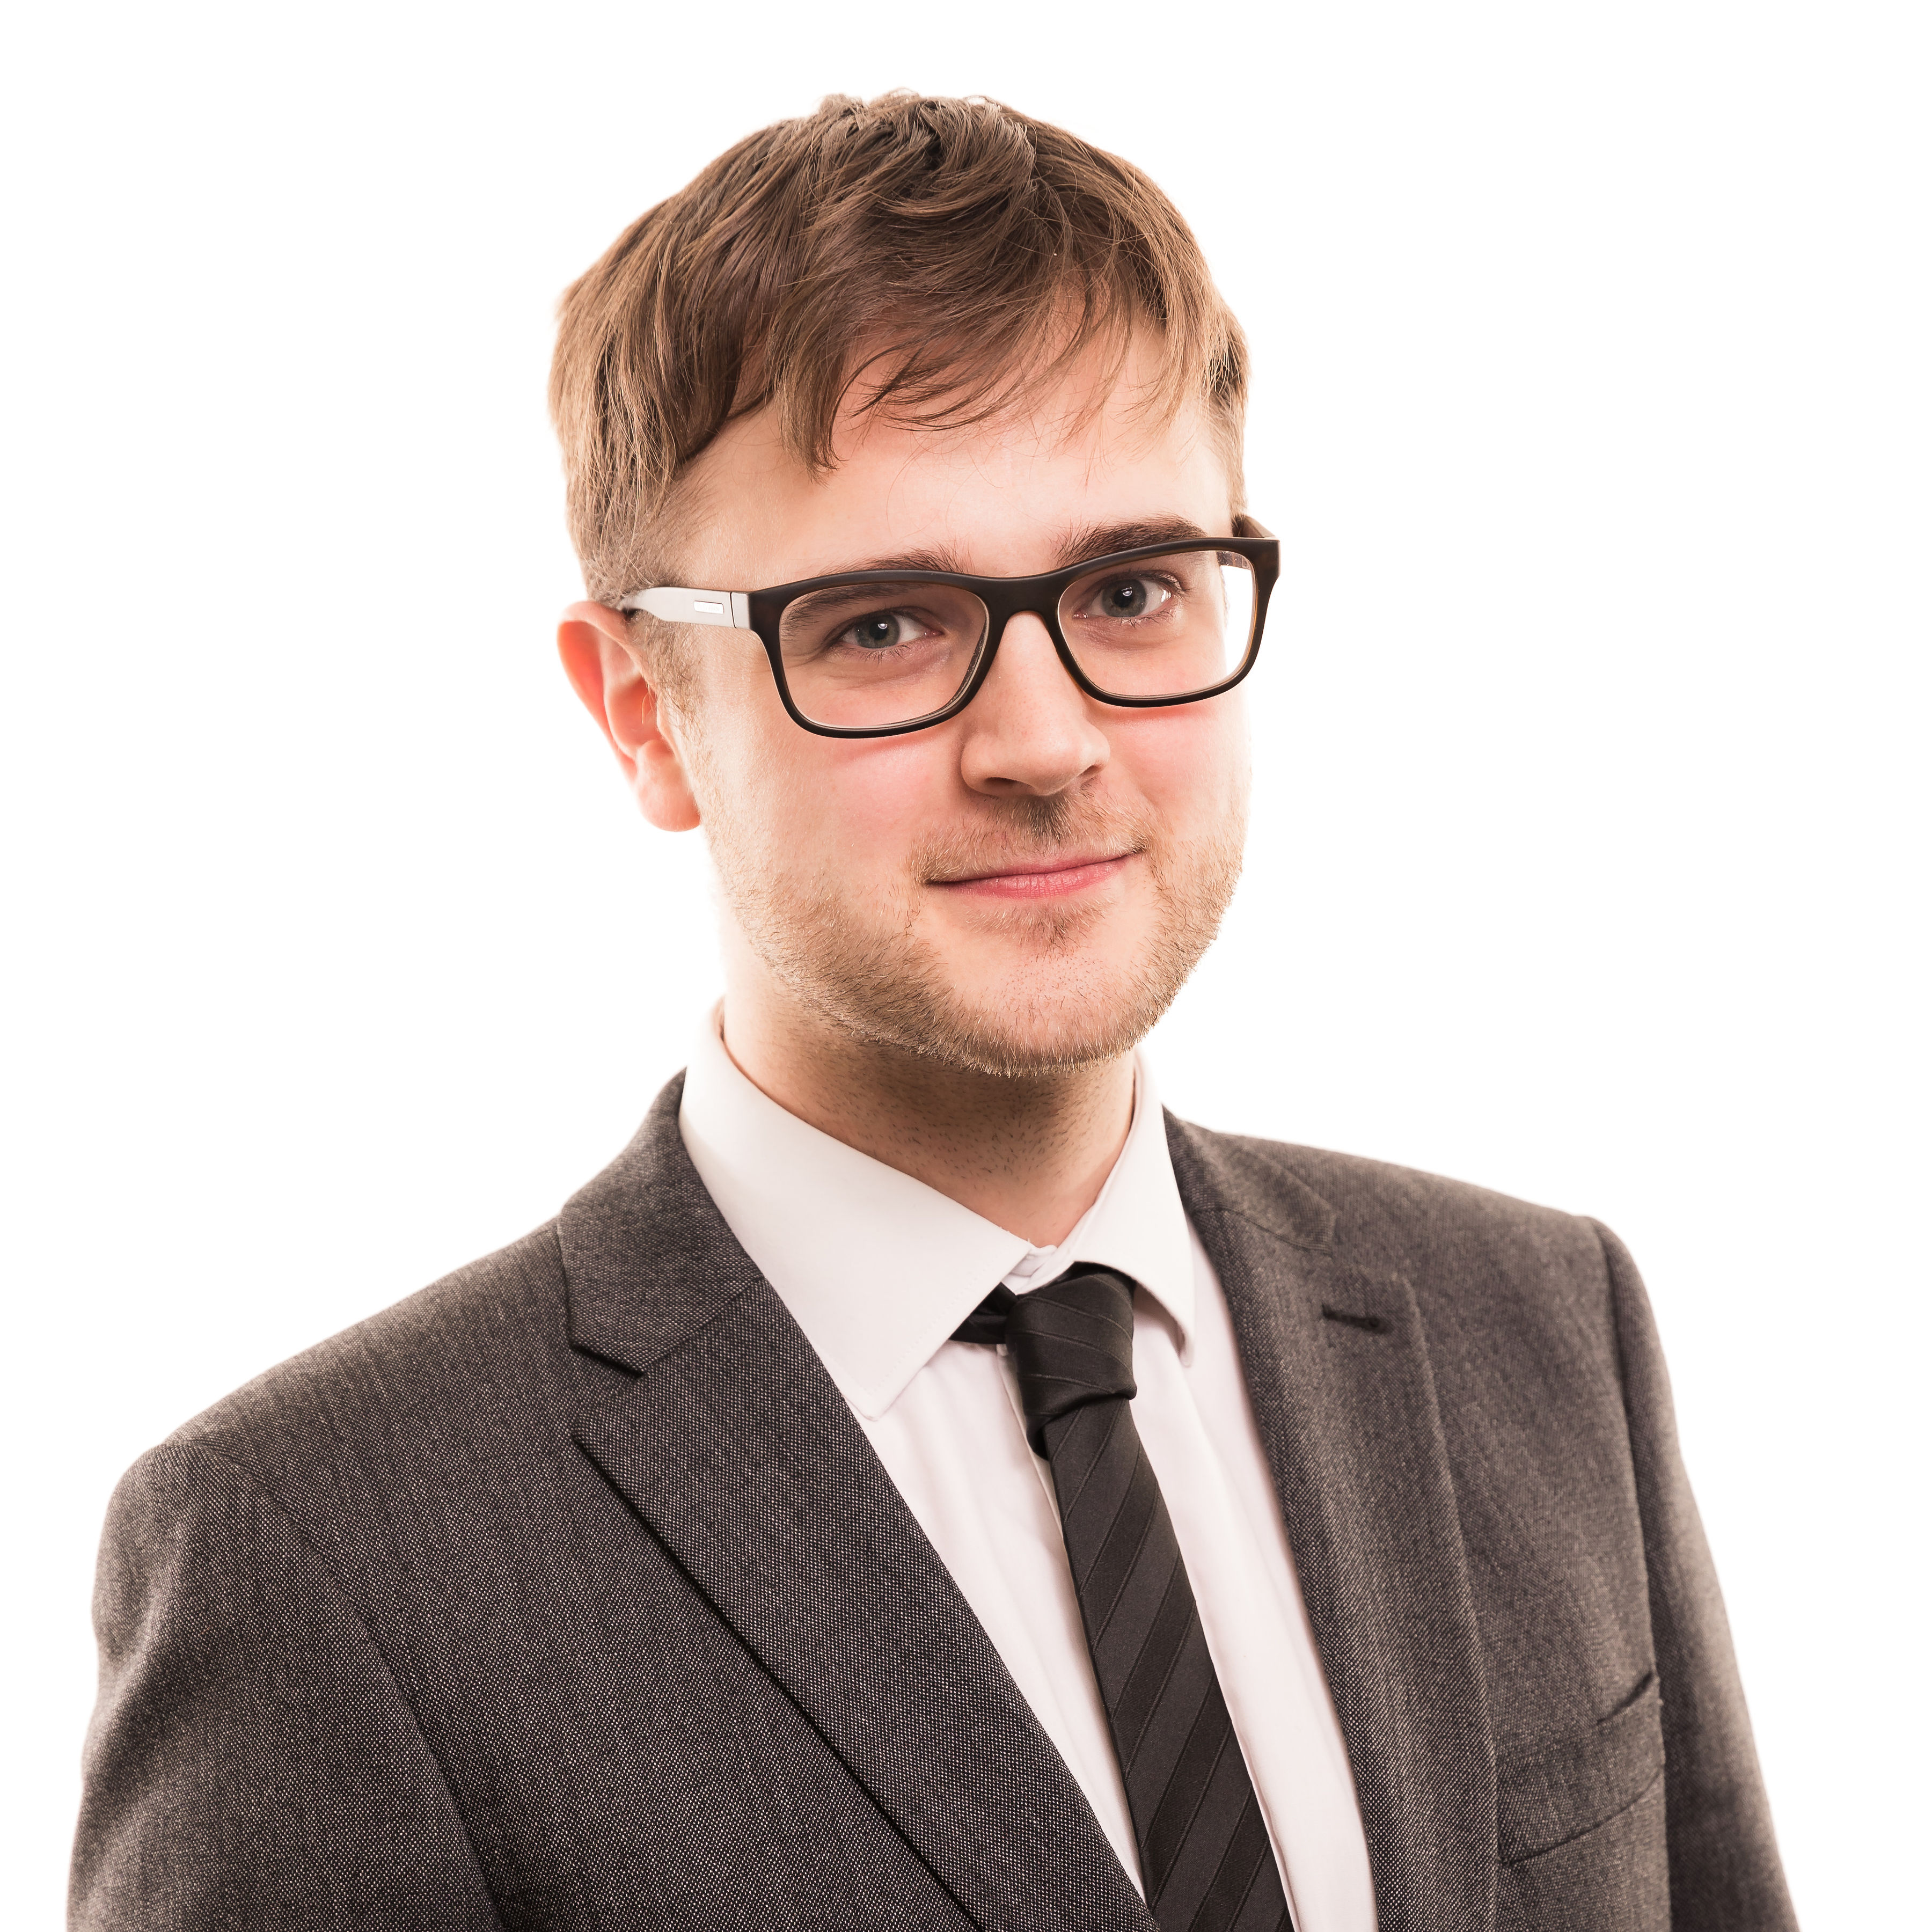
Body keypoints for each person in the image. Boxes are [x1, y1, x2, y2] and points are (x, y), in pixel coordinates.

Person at [69, 93, 1796, 1932]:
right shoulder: (323, 1558)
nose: (1046, 744)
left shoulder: (1541, 1331)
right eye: (884, 624)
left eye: (1132, 589)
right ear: (645, 711)